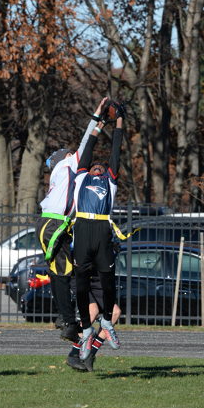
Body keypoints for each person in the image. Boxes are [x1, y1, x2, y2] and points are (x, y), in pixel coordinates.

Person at [36, 97, 111, 345]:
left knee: (62, 271)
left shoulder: (63, 173)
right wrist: (97, 117)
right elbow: (87, 139)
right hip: (53, 224)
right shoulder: (68, 164)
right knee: (61, 272)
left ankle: (65, 319)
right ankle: (68, 322)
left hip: (53, 224)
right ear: (66, 157)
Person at [72, 103, 125, 361]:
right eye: (94, 166)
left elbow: (116, 150)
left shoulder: (110, 180)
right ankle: (85, 330)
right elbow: (88, 148)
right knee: (81, 285)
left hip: (102, 228)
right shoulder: (81, 176)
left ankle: (106, 322)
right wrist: (99, 124)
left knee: (108, 281)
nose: (98, 168)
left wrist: (120, 121)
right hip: (82, 227)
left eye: (101, 167)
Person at [67, 269, 121, 372]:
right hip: (81, 277)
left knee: (115, 312)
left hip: (98, 280)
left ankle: (91, 354)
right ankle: (74, 354)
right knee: (93, 311)